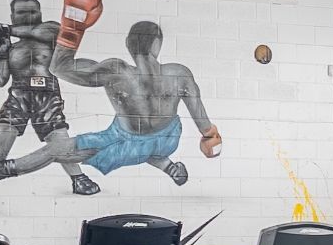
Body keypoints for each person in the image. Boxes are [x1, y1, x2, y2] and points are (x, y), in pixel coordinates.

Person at [0, 0, 83, 210]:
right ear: (13, 15)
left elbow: (49, 31)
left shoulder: (51, 32)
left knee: (60, 144)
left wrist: (3, 29)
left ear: (40, 13)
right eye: (22, 12)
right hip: (19, 96)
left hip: (48, 96)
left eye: (33, 11)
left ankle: (80, 180)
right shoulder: (11, 47)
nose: (29, 16)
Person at [62, 20, 223, 186]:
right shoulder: (179, 73)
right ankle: (165, 164)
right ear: (157, 44)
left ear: (127, 43)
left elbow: (60, 68)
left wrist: (71, 30)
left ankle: (156, 159)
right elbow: (203, 122)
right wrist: (212, 139)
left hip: (129, 144)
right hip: (168, 140)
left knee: (57, 149)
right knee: (144, 138)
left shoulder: (116, 71)